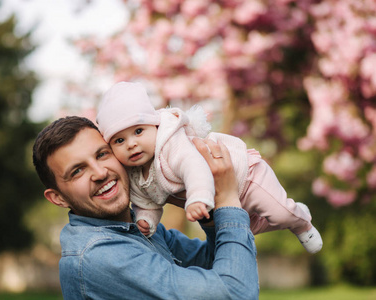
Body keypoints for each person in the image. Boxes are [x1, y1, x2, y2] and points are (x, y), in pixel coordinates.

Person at [32, 116, 259, 300]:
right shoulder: (99, 255)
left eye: (102, 154)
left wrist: (203, 202)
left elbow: (211, 262)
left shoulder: (134, 226)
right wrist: (227, 199)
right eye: (77, 171)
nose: (100, 173)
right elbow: (235, 292)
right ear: (58, 198)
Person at [96, 81, 323, 254]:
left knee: (281, 214)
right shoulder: (134, 175)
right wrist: (147, 221)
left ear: (155, 126)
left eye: (138, 131)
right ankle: (286, 212)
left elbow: (194, 167)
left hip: (247, 179)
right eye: (119, 141)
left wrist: (197, 198)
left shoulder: (170, 144)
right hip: (225, 201)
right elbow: (146, 202)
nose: (131, 144)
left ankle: (300, 220)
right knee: (244, 230)